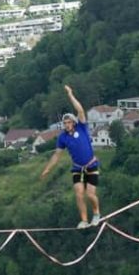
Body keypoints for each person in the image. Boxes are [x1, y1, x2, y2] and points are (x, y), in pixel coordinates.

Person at [40, 85, 101, 228]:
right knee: (79, 194)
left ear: (73, 122)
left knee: (90, 195)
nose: (66, 125)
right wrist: (47, 169)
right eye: (64, 123)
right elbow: (56, 155)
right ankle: (84, 220)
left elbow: (80, 110)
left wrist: (70, 95)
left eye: (68, 122)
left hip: (91, 165)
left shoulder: (82, 127)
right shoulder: (62, 137)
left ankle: (96, 213)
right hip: (77, 168)